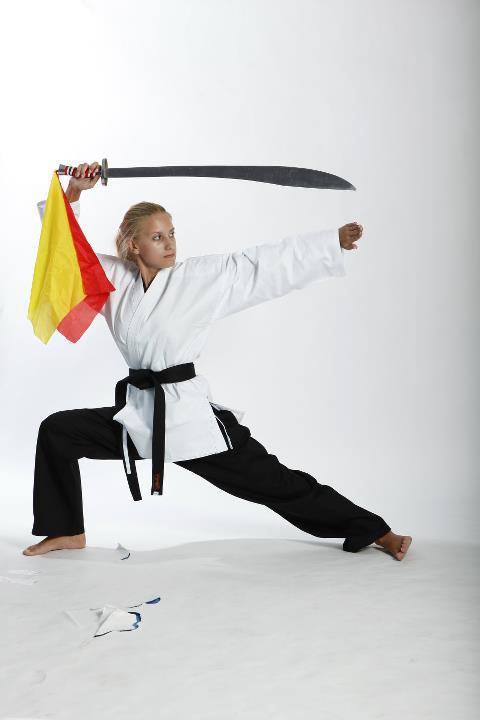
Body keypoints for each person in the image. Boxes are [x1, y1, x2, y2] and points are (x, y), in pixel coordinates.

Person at [23, 161, 412, 561]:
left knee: (276, 484)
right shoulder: (114, 280)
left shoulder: (198, 279)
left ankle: (375, 530)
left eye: (172, 234)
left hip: (188, 421)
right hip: (138, 418)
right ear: (134, 245)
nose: (170, 244)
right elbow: (67, 253)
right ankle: (66, 530)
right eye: (157, 237)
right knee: (59, 431)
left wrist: (329, 243)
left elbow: (258, 266)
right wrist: (74, 192)